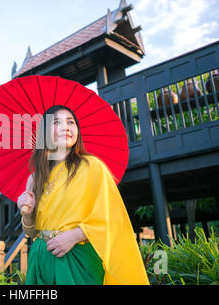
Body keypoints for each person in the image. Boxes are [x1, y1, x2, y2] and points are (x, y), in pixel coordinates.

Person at [17, 105, 149, 285]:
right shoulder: (35, 178)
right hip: (41, 260)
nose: (66, 127)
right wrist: (27, 213)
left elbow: (111, 218)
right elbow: (31, 231)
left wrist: (75, 236)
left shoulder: (92, 167)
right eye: (57, 122)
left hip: (77, 257)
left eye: (70, 122)